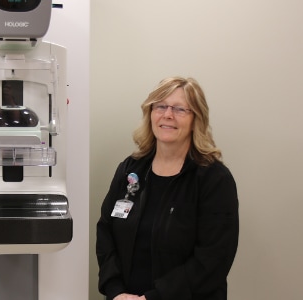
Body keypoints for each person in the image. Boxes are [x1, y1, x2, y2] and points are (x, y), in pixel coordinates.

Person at [96, 77, 239, 300]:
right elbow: (106, 231)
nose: (168, 115)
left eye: (180, 109)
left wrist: (153, 298)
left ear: (196, 119)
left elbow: (213, 260)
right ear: (150, 113)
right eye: (160, 106)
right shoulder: (130, 170)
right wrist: (115, 290)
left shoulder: (213, 180)